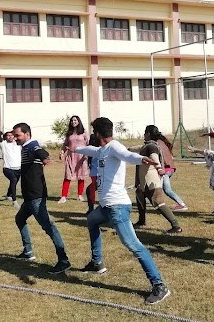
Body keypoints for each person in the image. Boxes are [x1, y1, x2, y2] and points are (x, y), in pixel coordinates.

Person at [74, 117, 170, 305]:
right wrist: (74, 149)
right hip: (105, 207)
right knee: (92, 220)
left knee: (134, 245)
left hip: (117, 207)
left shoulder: (115, 147)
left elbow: (127, 155)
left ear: (98, 134)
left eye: (94, 132)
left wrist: (142, 159)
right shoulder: (102, 150)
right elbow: (90, 149)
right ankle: (97, 262)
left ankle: (159, 286)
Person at [12, 122, 71, 274]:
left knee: (49, 227)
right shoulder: (25, 147)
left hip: (35, 196)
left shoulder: (32, 146)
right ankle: (28, 251)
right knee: (19, 219)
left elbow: (40, 151)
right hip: (29, 197)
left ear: (27, 134)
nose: (15, 138)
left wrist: (45, 157)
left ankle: (63, 260)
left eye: (17, 135)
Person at [132, 126, 182, 233]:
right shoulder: (147, 146)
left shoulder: (151, 147)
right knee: (139, 195)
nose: (143, 134)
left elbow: (154, 157)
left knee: (158, 202)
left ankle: (176, 226)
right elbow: (137, 148)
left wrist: (159, 168)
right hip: (144, 181)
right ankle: (141, 221)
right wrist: (125, 149)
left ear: (149, 134)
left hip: (151, 181)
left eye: (145, 132)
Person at [147, 125, 188, 211]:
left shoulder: (156, 144)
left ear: (148, 134)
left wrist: (161, 170)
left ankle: (181, 204)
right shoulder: (161, 142)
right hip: (169, 168)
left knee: (166, 190)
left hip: (166, 169)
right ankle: (157, 203)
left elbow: (161, 159)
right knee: (159, 188)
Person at [59, 115, 89, 203]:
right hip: (71, 156)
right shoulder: (69, 133)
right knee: (67, 176)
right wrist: (62, 152)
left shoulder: (84, 133)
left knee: (81, 176)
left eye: (75, 120)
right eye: (72, 121)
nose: (73, 122)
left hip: (81, 157)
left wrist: (87, 154)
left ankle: (80, 195)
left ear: (78, 121)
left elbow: (88, 144)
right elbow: (65, 144)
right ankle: (63, 196)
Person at [1, 130, 22, 208]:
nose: (10, 137)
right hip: (8, 168)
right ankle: (14, 201)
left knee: (15, 182)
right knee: (13, 180)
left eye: (11, 135)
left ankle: (8, 195)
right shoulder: (3, 144)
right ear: (5, 137)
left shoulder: (18, 144)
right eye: (8, 135)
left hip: (18, 168)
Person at [84, 134, 100, 214]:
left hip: (98, 177)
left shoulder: (98, 151)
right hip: (95, 176)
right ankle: (91, 209)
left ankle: (92, 210)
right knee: (89, 191)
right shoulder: (92, 152)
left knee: (90, 191)